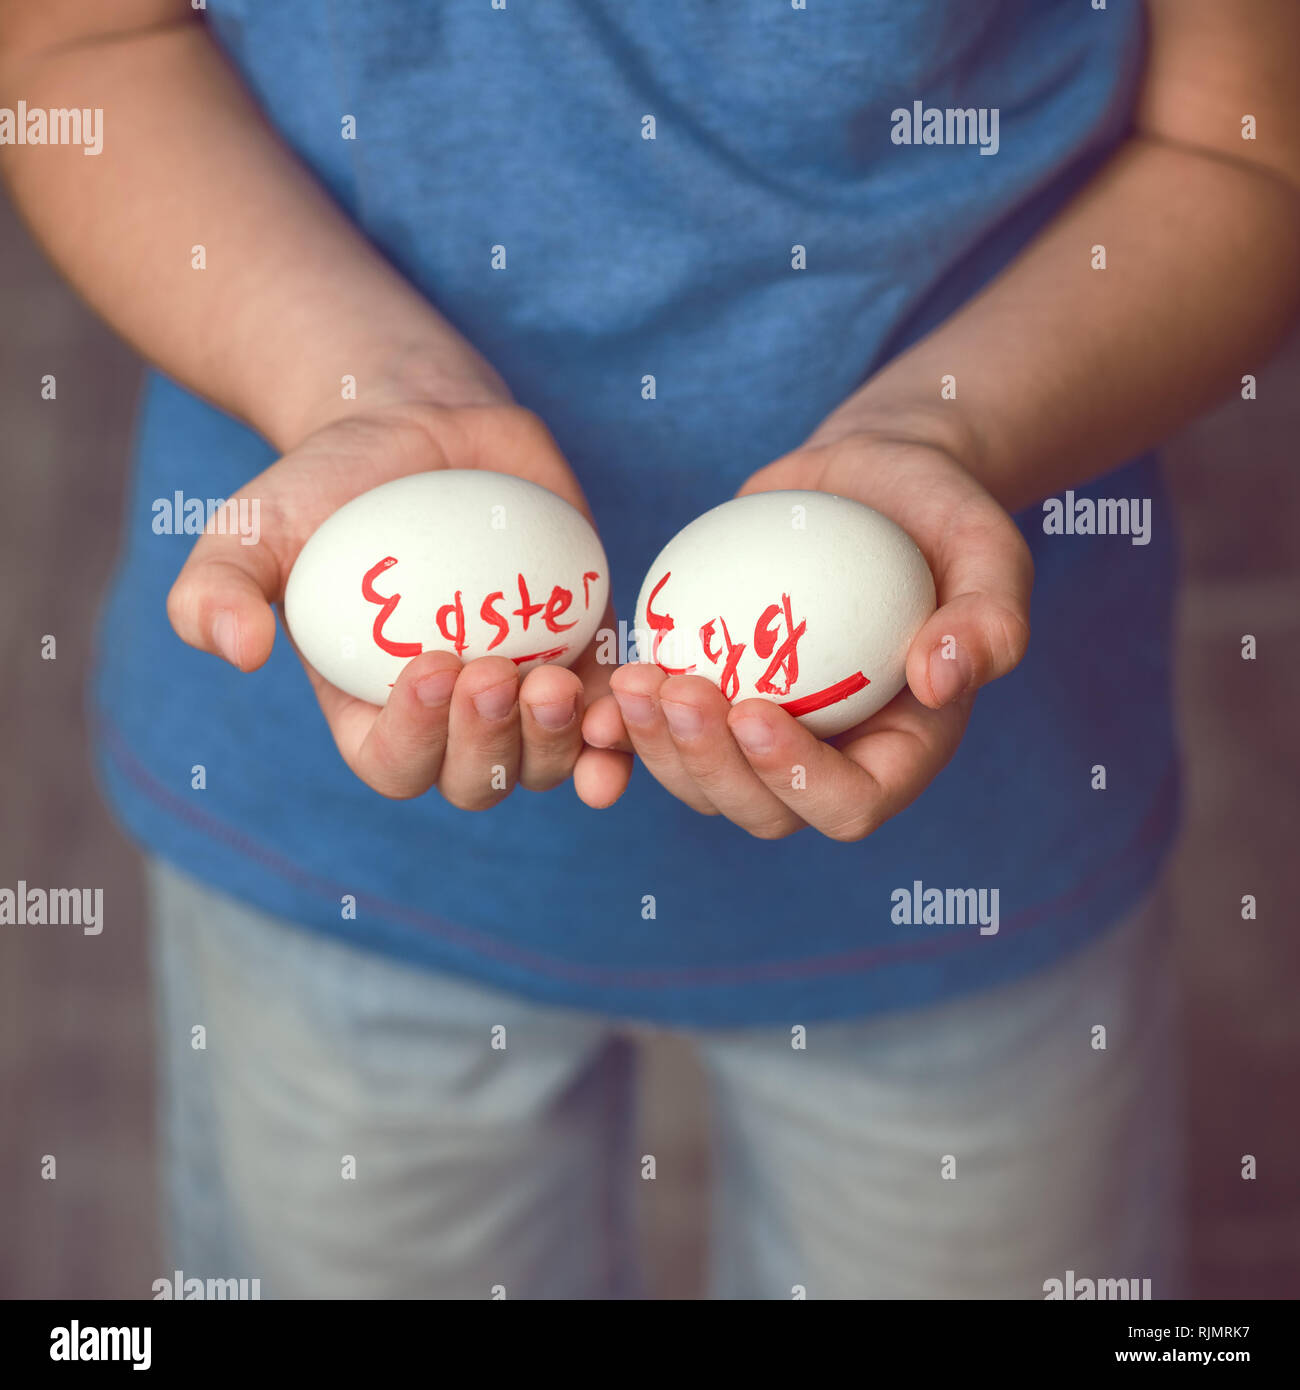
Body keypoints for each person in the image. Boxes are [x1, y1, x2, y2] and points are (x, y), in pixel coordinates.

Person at [3, 0, 1296, 1298]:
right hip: (338, 820)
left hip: (974, 826)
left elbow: (1244, 153)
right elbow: (83, 48)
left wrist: (945, 435)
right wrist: (359, 382)